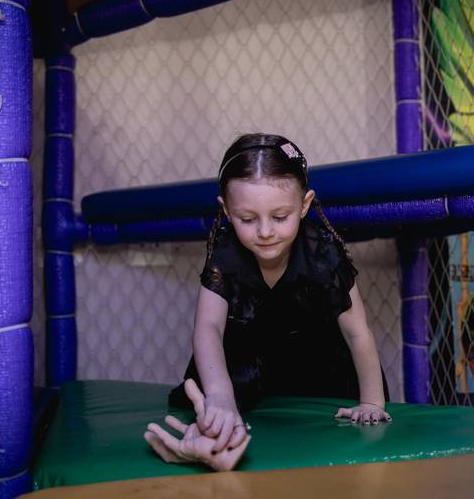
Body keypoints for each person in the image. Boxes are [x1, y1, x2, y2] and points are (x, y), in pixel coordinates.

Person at [161, 133, 391, 465]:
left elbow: (357, 332)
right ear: (226, 210)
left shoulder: (322, 253)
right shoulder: (226, 252)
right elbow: (208, 327)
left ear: (304, 205)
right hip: (249, 362)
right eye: (247, 219)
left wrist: (371, 403)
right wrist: (221, 396)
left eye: (280, 216)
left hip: (315, 362)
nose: (265, 231)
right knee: (211, 400)